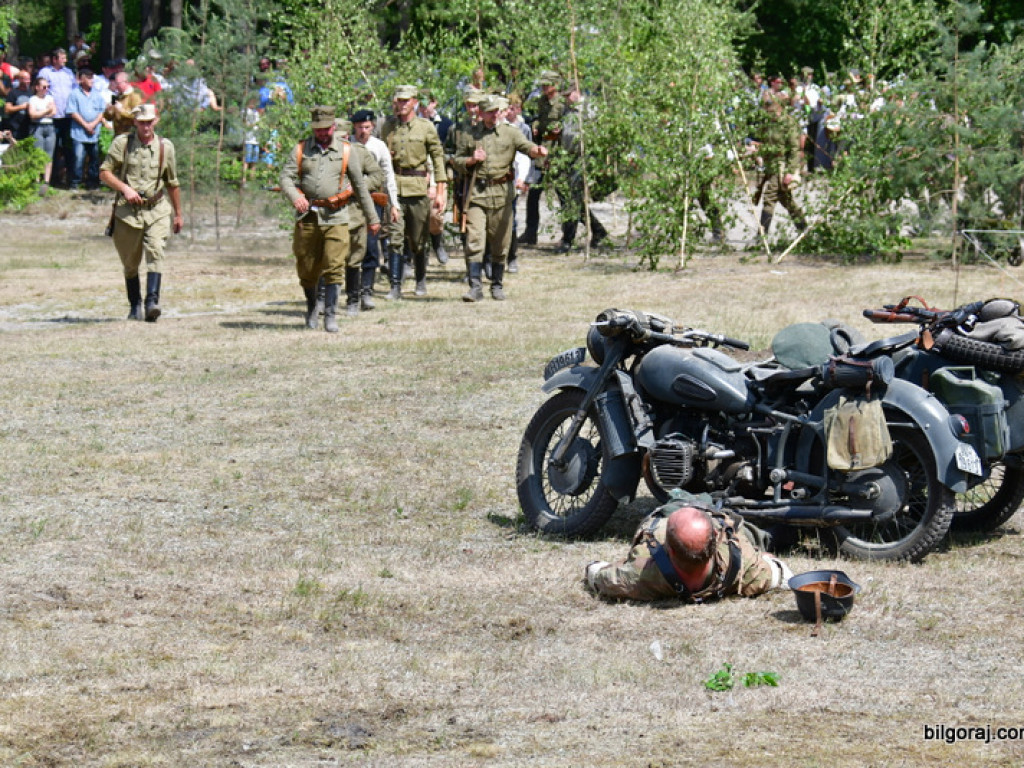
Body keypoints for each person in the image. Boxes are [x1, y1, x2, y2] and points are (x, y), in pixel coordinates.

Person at [279, 106, 381, 332]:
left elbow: (360, 187)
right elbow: (285, 177)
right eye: (318, 129)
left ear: (333, 127)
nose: (322, 133)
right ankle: (312, 306)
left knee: (335, 266)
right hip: (308, 216)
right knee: (307, 267)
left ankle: (331, 315)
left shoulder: (346, 150)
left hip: (337, 216)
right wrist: (295, 197)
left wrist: (373, 218)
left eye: (326, 129)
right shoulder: (301, 149)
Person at [585, 492, 792, 602]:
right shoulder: (745, 567)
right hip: (710, 514)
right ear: (716, 539)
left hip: (674, 509)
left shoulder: (640, 575)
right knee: (761, 537)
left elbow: (596, 573)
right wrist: (765, 558)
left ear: (670, 550)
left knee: (678, 495)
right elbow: (781, 574)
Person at [453, 94, 548, 301]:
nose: (494, 115)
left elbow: (526, 146)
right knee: (475, 240)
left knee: (500, 242)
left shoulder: (510, 132)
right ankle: (475, 287)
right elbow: (456, 160)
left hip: (502, 195)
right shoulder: (470, 134)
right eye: (490, 112)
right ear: (481, 112)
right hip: (477, 195)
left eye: (497, 111)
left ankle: (496, 284)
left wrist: (537, 151)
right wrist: (471, 160)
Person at [99, 104, 184, 323]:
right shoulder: (123, 143)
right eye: (142, 122)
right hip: (127, 213)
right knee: (130, 262)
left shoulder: (165, 147)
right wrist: (125, 189)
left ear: (156, 121)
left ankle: (152, 303)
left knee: (156, 251)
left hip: (157, 209)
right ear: (135, 122)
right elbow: (105, 172)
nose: (146, 127)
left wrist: (178, 214)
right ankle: (135, 304)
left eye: (149, 122)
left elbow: (172, 182)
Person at [380, 84, 448, 300]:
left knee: (418, 240)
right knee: (395, 237)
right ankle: (395, 285)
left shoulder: (425, 127)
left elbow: (437, 158)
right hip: (394, 187)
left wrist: (439, 189)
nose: (401, 104)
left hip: (418, 187)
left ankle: (420, 279)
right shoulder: (388, 127)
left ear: (414, 102)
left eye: (405, 100)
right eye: (398, 100)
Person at [351, 108, 399, 309]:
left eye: (367, 127)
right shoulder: (347, 146)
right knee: (351, 247)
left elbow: (388, 176)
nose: (363, 131)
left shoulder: (379, 147)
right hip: (350, 202)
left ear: (372, 127)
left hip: (372, 200)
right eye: (360, 127)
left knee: (371, 246)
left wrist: (394, 204)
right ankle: (352, 291)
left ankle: (367, 291)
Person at [519, 70, 566, 246]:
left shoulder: (562, 104)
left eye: (548, 84)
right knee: (533, 195)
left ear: (556, 85)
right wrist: (536, 125)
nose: (544, 87)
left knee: (564, 196)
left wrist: (560, 128)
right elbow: (539, 119)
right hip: (543, 152)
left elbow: (569, 124)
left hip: (557, 154)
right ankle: (530, 233)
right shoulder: (541, 102)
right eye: (543, 84)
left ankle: (592, 230)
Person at [752, 92, 807, 237]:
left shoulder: (788, 123)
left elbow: (794, 149)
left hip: (782, 165)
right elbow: (765, 142)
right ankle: (803, 228)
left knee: (769, 197)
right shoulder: (767, 123)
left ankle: (761, 236)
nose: (767, 108)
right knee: (786, 200)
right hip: (771, 164)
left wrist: (790, 171)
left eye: (770, 104)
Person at [39, 48, 75, 186]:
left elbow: (74, 90)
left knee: (68, 148)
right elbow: (40, 91)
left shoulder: (69, 72)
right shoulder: (45, 72)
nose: (65, 60)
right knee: (52, 148)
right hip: (53, 117)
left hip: (68, 116)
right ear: (54, 59)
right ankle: (52, 178)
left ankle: (70, 178)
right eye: (62, 58)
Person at [66, 68, 106, 190]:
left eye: (92, 78)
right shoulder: (74, 94)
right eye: (88, 78)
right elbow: (72, 112)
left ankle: (92, 183)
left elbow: (101, 112)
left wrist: (93, 124)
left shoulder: (97, 95)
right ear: (81, 80)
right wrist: (86, 125)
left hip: (94, 132)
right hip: (79, 132)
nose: (91, 81)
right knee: (78, 158)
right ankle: (75, 183)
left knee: (94, 159)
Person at [27, 76, 57, 188]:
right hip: (37, 128)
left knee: (49, 155)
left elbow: (54, 112)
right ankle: (37, 180)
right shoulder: (32, 99)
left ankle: (46, 181)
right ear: (37, 87)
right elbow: (32, 115)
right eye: (44, 87)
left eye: (48, 87)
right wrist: (47, 110)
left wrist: (41, 113)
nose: (46, 89)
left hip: (50, 127)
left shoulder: (50, 98)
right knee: (38, 154)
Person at [4, 69, 33, 141]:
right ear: (20, 79)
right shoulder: (13, 93)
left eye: (29, 79)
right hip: (16, 127)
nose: (28, 81)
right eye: (26, 79)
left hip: (28, 126)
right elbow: (7, 109)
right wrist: (21, 107)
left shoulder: (31, 93)